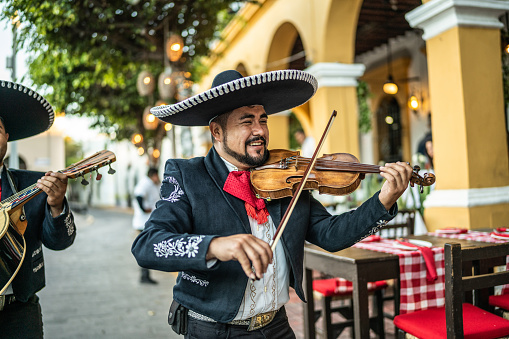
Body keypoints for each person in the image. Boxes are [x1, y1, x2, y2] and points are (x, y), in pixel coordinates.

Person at [131, 69, 412, 338]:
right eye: (246, 121)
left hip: (276, 327)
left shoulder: (285, 175)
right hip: (213, 331)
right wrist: (216, 245)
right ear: (216, 131)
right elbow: (148, 245)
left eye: (262, 120)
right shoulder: (188, 175)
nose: (259, 131)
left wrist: (383, 201)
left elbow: (330, 234)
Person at [0, 81, 76, 338]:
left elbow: (60, 242)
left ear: (6, 138)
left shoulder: (34, 186)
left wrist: (56, 204)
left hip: (18, 312)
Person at [132, 167, 160, 284]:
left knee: (147, 248)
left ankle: (145, 275)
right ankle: (144, 276)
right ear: (153, 175)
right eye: (157, 176)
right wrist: (144, 209)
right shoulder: (145, 183)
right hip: (143, 222)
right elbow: (139, 196)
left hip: (146, 221)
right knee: (146, 248)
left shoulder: (152, 184)